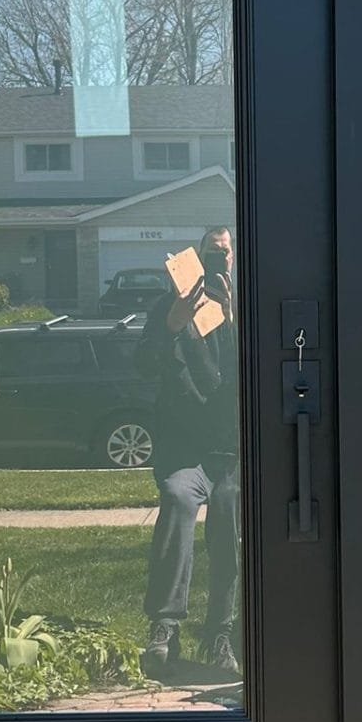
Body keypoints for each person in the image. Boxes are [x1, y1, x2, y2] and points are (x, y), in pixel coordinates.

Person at [137, 225, 241, 679]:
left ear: (234, 257)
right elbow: (143, 365)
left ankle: (221, 631)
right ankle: (164, 626)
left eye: (224, 252)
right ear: (194, 260)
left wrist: (233, 313)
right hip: (186, 451)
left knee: (230, 513)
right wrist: (175, 322)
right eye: (209, 253)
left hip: (233, 450)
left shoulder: (240, 308)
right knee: (179, 500)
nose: (218, 259)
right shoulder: (167, 309)